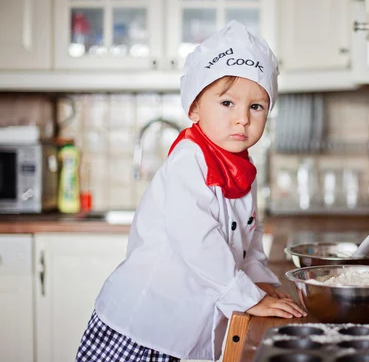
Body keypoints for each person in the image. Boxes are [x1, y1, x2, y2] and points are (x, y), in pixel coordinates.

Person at [75, 20, 306, 362]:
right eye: (227, 103)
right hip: (143, 326)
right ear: (195, 107)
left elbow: (249, 243)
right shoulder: (189, 161)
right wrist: (248, 298)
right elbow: (197, 240)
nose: (242, 118)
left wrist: (262, 283)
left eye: (256, 107)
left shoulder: (243, 169)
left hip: (181, 330)